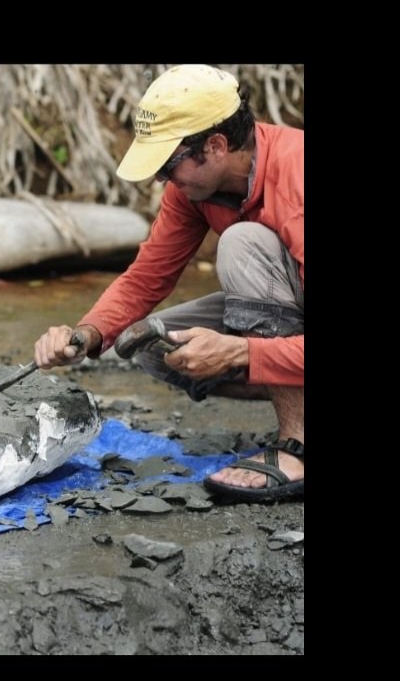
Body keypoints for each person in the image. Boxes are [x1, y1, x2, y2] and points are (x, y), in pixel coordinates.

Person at [32, 64, 303, 503]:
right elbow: (144, 279)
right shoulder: (193, 190)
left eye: (168, 165)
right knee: (154, 346)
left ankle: (297, 446)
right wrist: (85, 334)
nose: (161, 179)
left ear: (215, 146)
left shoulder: (297, 179)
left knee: (242, 244)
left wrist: (241, 351)